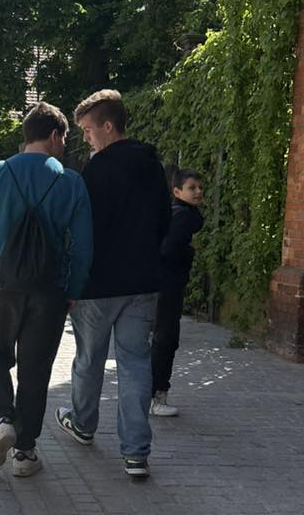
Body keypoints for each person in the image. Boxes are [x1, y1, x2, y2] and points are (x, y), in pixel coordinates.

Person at [0, 104, 92, 478]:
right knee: (35, 371)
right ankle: (25, 453)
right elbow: (83, 247)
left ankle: (1, 419)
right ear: (54, 135)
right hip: (49, 292)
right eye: (65, 138)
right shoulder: (71, 182)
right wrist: (72, 290)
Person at [54, 90, 169, 480]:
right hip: (143, 282)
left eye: (88, 130)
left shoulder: (96, 171)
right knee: (135, 364)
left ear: (107, 126)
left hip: (98, 285)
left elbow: (81, 231)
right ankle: (136, 453)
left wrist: (72, 279)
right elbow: (163, 222)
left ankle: (83, 424)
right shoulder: (153, 166)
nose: (85, 137)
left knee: (89, 359)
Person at [150, 167, 205, 418]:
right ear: (176, 191)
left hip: (166, 284)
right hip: (168, 285)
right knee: (166, 338)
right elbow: (168, 249)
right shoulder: (183, 216)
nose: (198, 192)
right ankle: (156, 395)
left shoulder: (177, 213)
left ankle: (154, 393)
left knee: (164, 337)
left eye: (200, 187)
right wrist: (187, 253)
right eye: (191, 188)